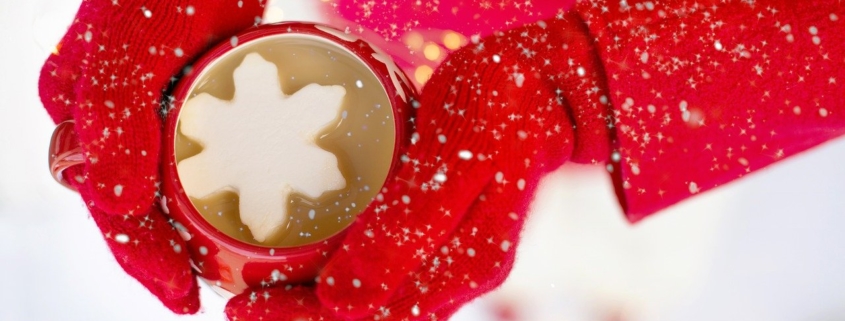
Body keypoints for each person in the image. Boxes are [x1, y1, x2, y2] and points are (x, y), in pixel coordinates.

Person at [39, 0, 845, 320]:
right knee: (438, 218)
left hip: (660, 80)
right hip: (388, 35)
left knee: (622, 252)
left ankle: (609, 298)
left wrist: (608, 73)